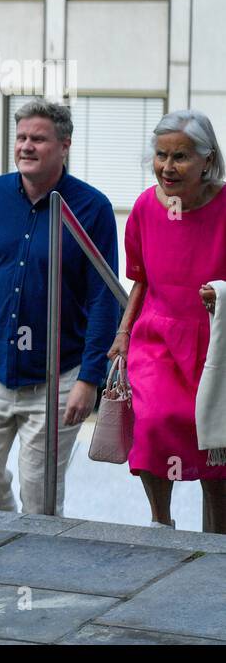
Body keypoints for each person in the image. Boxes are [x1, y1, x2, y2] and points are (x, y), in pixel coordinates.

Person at [0, 99, 120, 516]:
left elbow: (103, 299)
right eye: (21, 137)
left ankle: (35, 569)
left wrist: (90, 378)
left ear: (64, 145)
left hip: (58, 377)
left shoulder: (92, 208)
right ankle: (6, 543)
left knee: (41, 496)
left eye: (38, 139)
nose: (26, 146)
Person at [108, 109, 226, 533]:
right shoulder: (144, 207)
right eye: (161, 155)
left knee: (214, 440)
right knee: (155, 423)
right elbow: (139, 280)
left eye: (180, 157)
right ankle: (162, 524)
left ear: (207, 160)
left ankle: (217, 536)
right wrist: (123, 332)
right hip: (157, 336)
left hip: (216, 344)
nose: (167, 167)